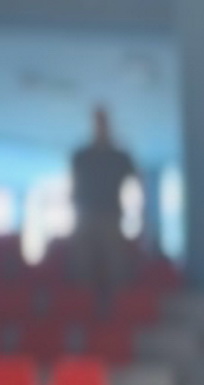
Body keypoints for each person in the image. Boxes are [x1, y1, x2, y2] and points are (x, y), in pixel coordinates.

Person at [69, 105, 138, 308]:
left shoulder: (120, 156)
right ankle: (84, 309)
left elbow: (135, 184)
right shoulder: (81, 155)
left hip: (111, 216)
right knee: (83, 267)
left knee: (116, 266)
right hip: (85, 216)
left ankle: (118, 311)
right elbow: (74, 186)